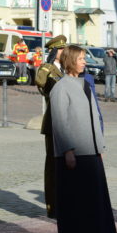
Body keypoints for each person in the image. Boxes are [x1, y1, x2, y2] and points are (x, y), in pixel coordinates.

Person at [50, 45, 117, 233]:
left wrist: (99, 147)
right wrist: (68, 150)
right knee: (76, 205)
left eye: (84, 58)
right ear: (70, 60)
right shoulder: (61, 87)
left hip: (91, 152)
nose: (84, 62)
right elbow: (60, 122)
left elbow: (95, 117)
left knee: (95, 203)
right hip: (74, 154)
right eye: (80, 58)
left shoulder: (85, 84)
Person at [35, 35, 67, 219]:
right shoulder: (47, 69)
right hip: (53, 121)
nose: (65, 53)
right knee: (53, 166)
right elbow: (41, 84)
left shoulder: (67, 69)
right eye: (62, 50)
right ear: (55, 52)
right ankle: (52, 205)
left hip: (68, 122)